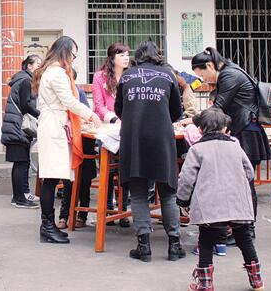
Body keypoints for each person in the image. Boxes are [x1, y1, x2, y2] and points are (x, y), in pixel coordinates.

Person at [178, 108, 264, 291]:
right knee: (244, 239)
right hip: (237, 202)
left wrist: (183, 201)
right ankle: (257, 281)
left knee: (206, 241)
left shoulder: (196, 149)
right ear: (225, 128)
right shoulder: (235, 146)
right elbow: (249, 172)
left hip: (209, 205)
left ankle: (205, 283)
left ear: (200, 129)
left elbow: (186, 178)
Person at [114, 41, 185, 262]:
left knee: (138, 192)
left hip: (133, 139)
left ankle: (143, 247)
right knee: (168, 192)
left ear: (138, 55)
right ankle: (174, 246)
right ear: (157, 55)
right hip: (162, 138)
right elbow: (177, 111)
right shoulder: (168, 75)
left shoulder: (127, 76)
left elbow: (119, 109)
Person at [191, 47, 271, 239]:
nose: (203, 80)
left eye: (202, 74)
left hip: (246, 134)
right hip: (243, 131)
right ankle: (239, 229)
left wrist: (192, 120)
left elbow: (218, 108)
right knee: (239, 182)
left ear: (210, 66)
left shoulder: (229, 75)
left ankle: (247, 231)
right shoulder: (229, 72)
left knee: (245, 183)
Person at [33, 36, 101, 244]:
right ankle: (47, 226)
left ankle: (49, 226)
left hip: (53, 124)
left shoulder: (50, 71)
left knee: (52, 178)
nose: (73, 59)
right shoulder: (57, 73)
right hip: (54, 126)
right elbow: (68, 100)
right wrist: (90, 114)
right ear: (65, 52)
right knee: (51, 179)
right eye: (73, 54)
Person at [91, 42, 131, 227]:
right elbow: (98, 106)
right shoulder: (99, 77)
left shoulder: (131, 76)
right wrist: (114, 119)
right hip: (108, 128)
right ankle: (107, 208)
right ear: (112, 57)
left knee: (125, 169)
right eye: (122, 55)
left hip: (128, 128)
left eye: (127, 54)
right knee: (107, 169)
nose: (126, 58)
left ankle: (123, 210)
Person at [0, 54, 41, 209]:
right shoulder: (25, 81)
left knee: (22, 162)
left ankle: (21, 195)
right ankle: (19, 198)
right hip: (17, 128)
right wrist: (40, 114)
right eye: (38, 64)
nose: (40, 67)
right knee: (21, 163)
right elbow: (25, 105)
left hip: (14, 126)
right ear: (29, 66)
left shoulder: (22, 79)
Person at [59, 70, 98, 229]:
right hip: (69, 140)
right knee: (68, 181)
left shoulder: (79, 92)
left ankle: (82, 215)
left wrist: (84, 121)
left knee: (84, 181)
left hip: (83, 140)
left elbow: (86, 113)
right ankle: (64, 216)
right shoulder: (60, 92)